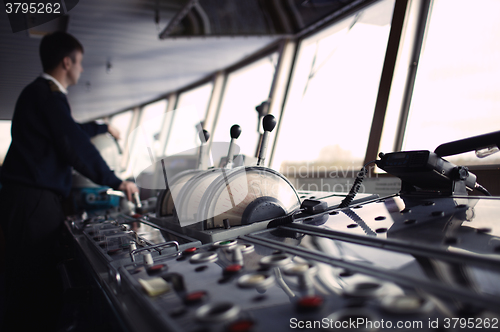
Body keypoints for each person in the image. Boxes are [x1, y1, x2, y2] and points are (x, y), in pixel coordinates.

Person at [0, 31, 138, 331]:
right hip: (33, 201)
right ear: (67, 61)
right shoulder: (48, 95)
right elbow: (73, 144)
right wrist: (117, 181)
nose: (82, 69)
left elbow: (68, 130)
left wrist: (101, 127)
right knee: (31, 282)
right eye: (80, 62)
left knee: (24, 278)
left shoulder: (39, 94)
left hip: (26, 198)